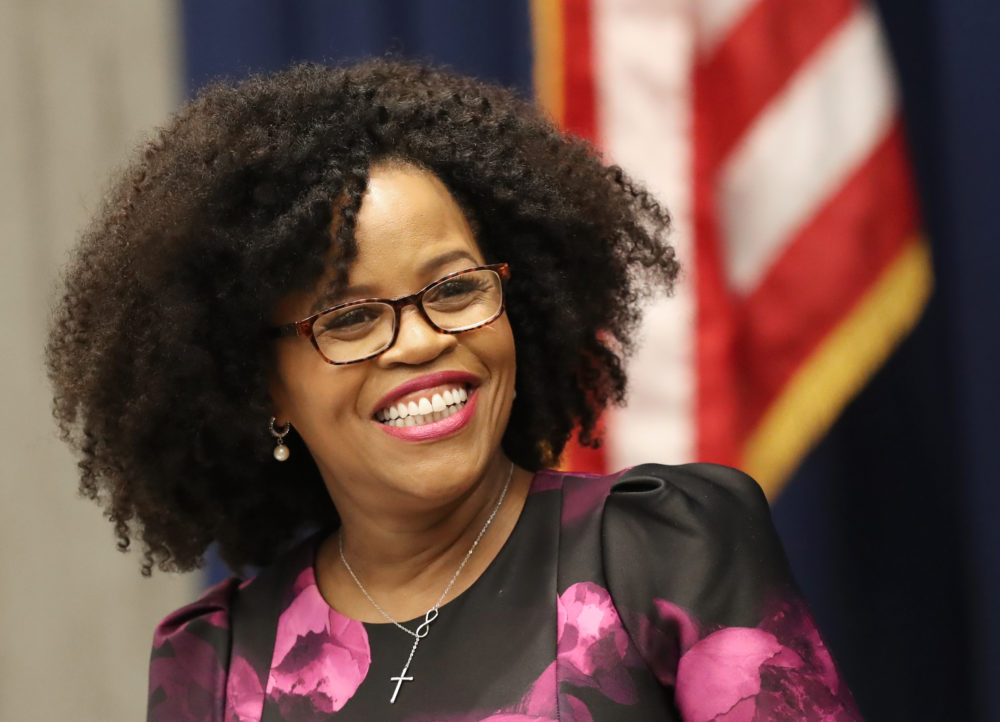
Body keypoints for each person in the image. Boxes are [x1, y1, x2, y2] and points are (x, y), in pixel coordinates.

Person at [46, 60, 861, 721]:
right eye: (354, 317)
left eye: (455, 289)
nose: (425, 338)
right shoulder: (215, 665)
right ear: (264, 387)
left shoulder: (663, 549)